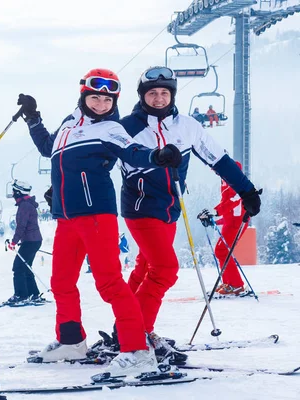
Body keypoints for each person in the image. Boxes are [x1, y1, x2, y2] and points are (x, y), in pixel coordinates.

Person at [17, 68, 182, 376]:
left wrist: (159, 156)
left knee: (108, 282)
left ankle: (136, 349)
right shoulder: (69, 124)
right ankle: (71, 341)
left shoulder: (111, 129)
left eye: (108, 100)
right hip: (66, 217)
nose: (101, 104)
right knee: (61, 281)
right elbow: (46, 147)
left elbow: (134, 152)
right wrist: (33, 118)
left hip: (96, 215)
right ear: (84, 97)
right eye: (95, 97)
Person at [118, 66, 261, 359]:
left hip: (170, 208)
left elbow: (219, 160)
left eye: (164, 93)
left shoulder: (187, 126)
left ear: (171, 95)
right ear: (143, 96)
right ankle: (136, 337)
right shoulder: (126, 128)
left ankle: (125, 326)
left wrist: (246, 191)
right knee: (165, 270)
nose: (159, 99)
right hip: (141, 206)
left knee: (146, 267)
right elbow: (98, 158)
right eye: (152, 93)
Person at [198, 161, 248, 295]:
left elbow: (232, 203)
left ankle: (236, 284)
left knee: (222, 251)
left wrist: (215, 212)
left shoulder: (237, 183)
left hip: (237, 224)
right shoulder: (226, 182)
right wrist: (215, 220)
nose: (217, 173)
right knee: (221, 251)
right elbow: (227, 209)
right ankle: (229, 283)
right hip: (230, 223)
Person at [5, 180, 43, 304]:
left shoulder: (25, 206)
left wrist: (13, 242)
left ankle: (21, 295)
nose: (12, 194)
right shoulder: (27, 204)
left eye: (14, 192)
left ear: (18, 192)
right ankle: (33, 294)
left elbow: (21, 226)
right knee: (26, 267)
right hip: (33, 240)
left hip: (31, 241)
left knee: (18, 267)